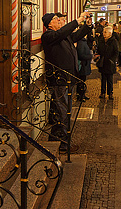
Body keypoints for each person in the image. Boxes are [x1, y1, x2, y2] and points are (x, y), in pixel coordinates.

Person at [42, 12, 89, 154]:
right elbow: (61, 33)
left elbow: (76, 35)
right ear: (50, 24)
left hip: (67, 78)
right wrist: (77, 20)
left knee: (61, 110)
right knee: (63, 111)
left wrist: (87, 26)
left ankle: (54, 139)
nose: (60, 22)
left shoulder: (62, 36)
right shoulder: (49, 36)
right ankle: (63, 144)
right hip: (59, 79)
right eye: (57, 20)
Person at [94, 25, 119, 99]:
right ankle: (103, 92)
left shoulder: (113, 41)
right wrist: (97, 55)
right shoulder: (101, 40)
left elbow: (116, 52)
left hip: (110, 63)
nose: (104, 33)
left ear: (110, 33)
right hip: (103, 62)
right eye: (103, 32)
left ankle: (110, 93)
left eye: (105, 32)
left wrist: (112, 60)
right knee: (103, 78)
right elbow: (98, 49)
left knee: (110, 79)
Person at [75, 21, 95, 103]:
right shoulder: (81, 42)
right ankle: (80, 96)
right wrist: (90, 56)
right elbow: (81, 54)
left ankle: (82, 95)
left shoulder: (83, 41)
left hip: (84, 64)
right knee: (81, 81)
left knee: (83, 81)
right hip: (82, 64)